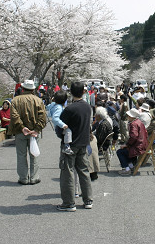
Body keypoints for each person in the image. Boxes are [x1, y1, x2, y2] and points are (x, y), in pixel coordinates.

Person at [58, 81, 93, 211]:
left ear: (71, 92)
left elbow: (59, 125)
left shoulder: (70, 109)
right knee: (84, 172)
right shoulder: (88, 107)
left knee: (68, 172)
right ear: (83, 92)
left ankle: (69, 203)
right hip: (83, 143)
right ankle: (88, 200)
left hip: (70, 144)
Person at [8, 80, 47, 186]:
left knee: (21, 155)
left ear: (23, 89)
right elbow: (42, 117)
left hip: (20, 132)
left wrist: (22, 127)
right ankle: (34, 177)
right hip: (34, 132)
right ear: (33, 89)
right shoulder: (38, 100)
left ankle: (23, 178)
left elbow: (14, 116)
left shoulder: (15, 100)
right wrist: (37, 129)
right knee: (34, 154)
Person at [116, 108, 148, 175]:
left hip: (138, 147)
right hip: (142, 144)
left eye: (128, 115)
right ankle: (131, 166)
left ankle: (127, 169)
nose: (127, 117)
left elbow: (133, 137)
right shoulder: (139, 121)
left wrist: (127, 145)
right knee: (124, 150)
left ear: (131, 116)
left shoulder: (133, 124)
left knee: (120, 152)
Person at [46, 90, 74, 155]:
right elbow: (55, 118)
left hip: (57, 126)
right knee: (68, 131)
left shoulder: (53, 104)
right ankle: (66, 146)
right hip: (59, 127)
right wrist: (63, 125)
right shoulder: (59, 107)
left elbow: (47, 107)